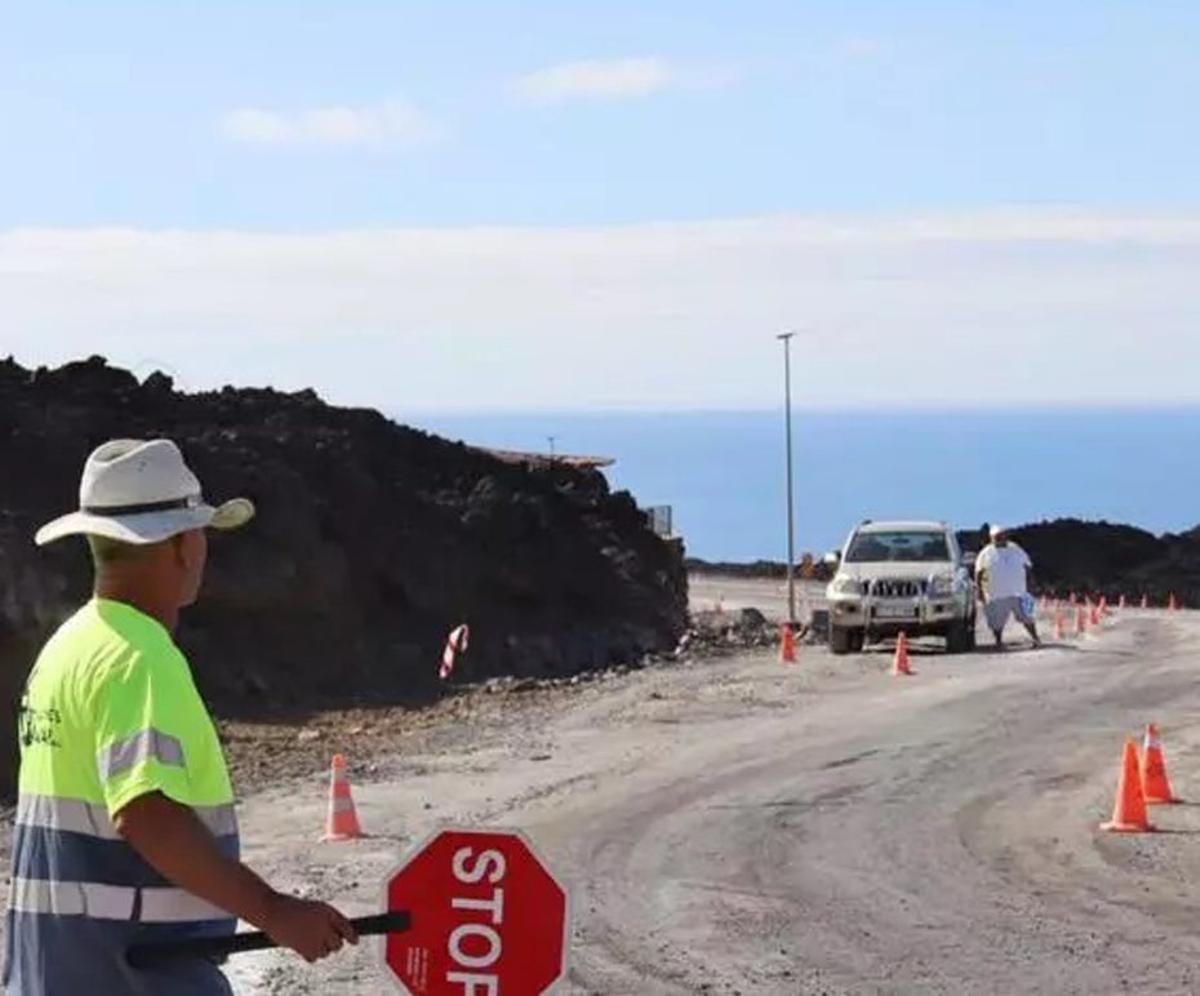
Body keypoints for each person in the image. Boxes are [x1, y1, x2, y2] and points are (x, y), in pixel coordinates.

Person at [4, 439, 357, 995]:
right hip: (133, 976)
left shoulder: (68, 648)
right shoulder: (141, 658)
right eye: (201, 533)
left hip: (57, 970)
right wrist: (274, 910)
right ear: (182, 546)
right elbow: (145, 813)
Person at [974, 524, 1040, 650]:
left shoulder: (1016, 549)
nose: (1000, 539)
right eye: (996, 537)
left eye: (1002, 536)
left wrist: (1032, 585)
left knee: (1028, 617)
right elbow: (978, 572)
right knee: (996, 621)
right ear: (991, 538)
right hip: (996, 593)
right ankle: (998, 642)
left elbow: (1028, 567)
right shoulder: (985, 553)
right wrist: (979, 591)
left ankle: (1036, 639)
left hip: (1019, 591)